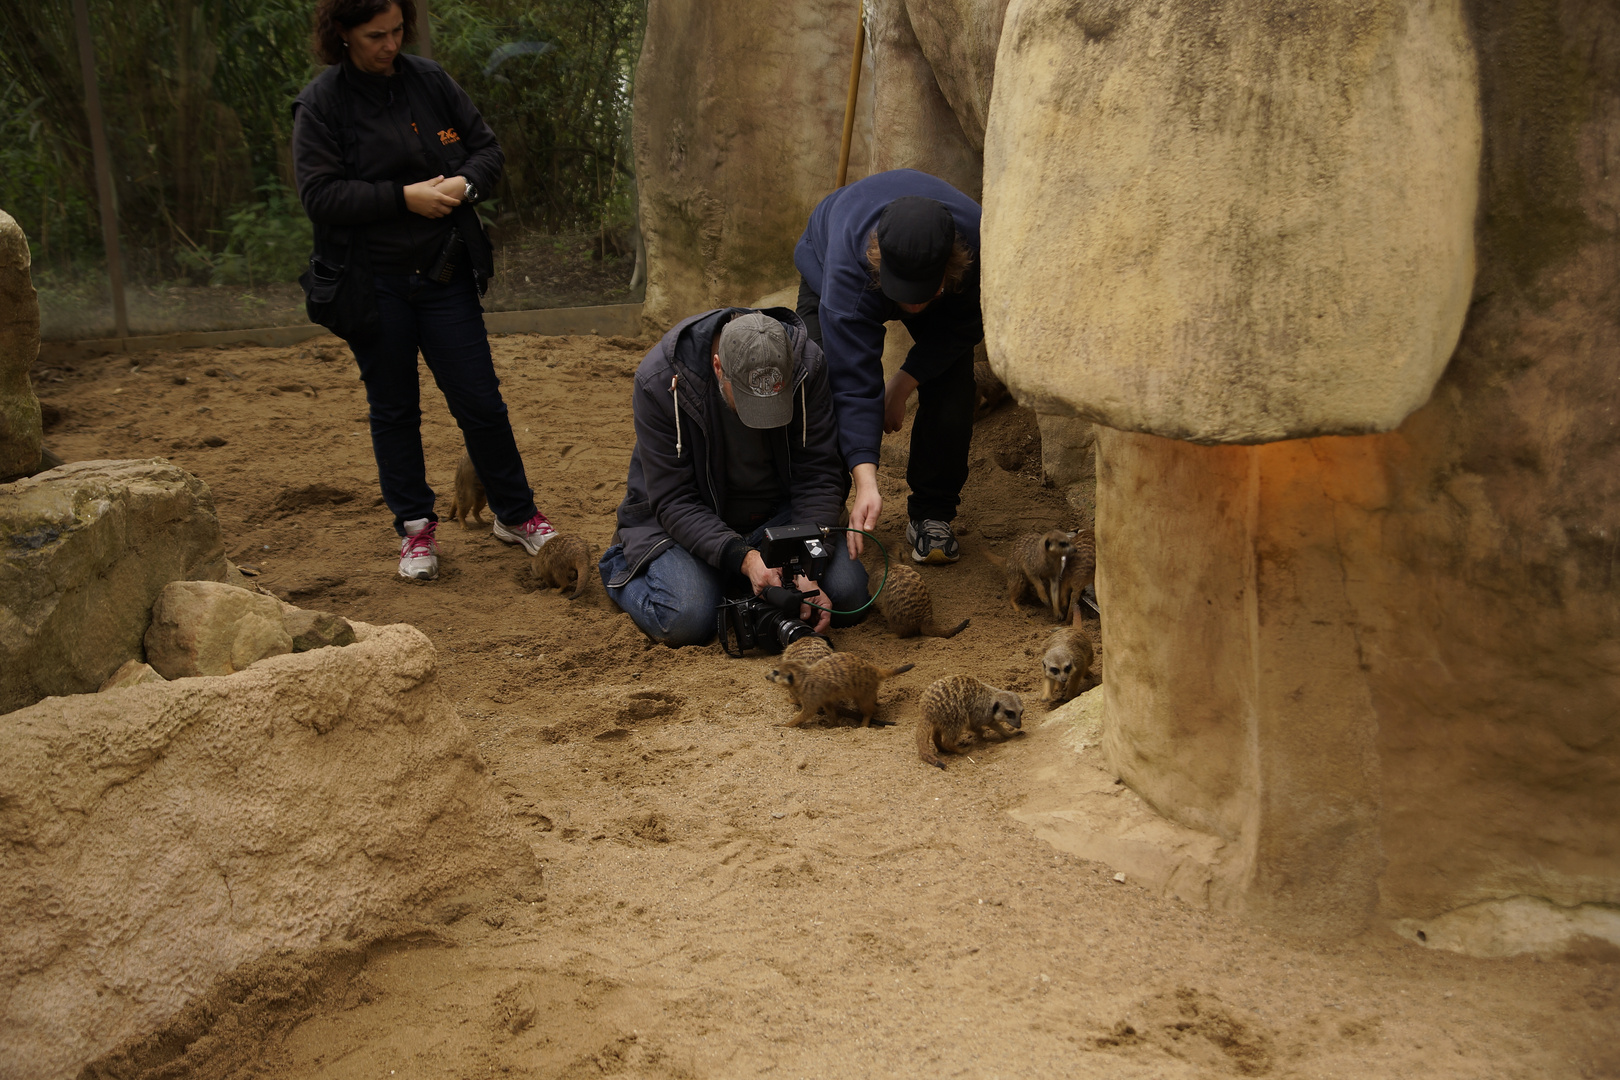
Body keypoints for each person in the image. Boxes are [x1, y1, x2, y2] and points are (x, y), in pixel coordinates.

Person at [292, 0, 555, 581]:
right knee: (394, 410)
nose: (389, 44)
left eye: (395, 31)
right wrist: (401, 197)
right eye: (374, 36)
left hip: (444, 275)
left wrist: (465, 184)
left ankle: (516, 514)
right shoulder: (322, 103)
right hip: (372, 284)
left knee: (481, 402)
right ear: (341, 34)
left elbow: (488, 151)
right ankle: (416, 530)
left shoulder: (429, 81)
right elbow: (319, 195)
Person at [600, 309, 869, 648]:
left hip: (776, 515)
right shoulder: (659, 378)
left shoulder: (807, 364)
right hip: (683, 520)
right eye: (748, 403)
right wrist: (745, 558)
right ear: (718, 368)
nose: (763, 418)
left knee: (848, 595)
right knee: (687, 619)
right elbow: (674, 500)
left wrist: (801, 563)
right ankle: (624, 569)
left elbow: (819, 475)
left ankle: (735, 579)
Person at [793, 168, 984, 565]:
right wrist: (867, 480)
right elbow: (854, 382)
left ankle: (933, 514)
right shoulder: (850, 265)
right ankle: (818, 511)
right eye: (903, 296)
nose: (911, 309)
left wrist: (902, 383)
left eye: (922, 297)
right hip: (829, 255)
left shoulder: (980, 247)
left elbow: (962, 329)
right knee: (817, 382)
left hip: (943, 279)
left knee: (953, 388)